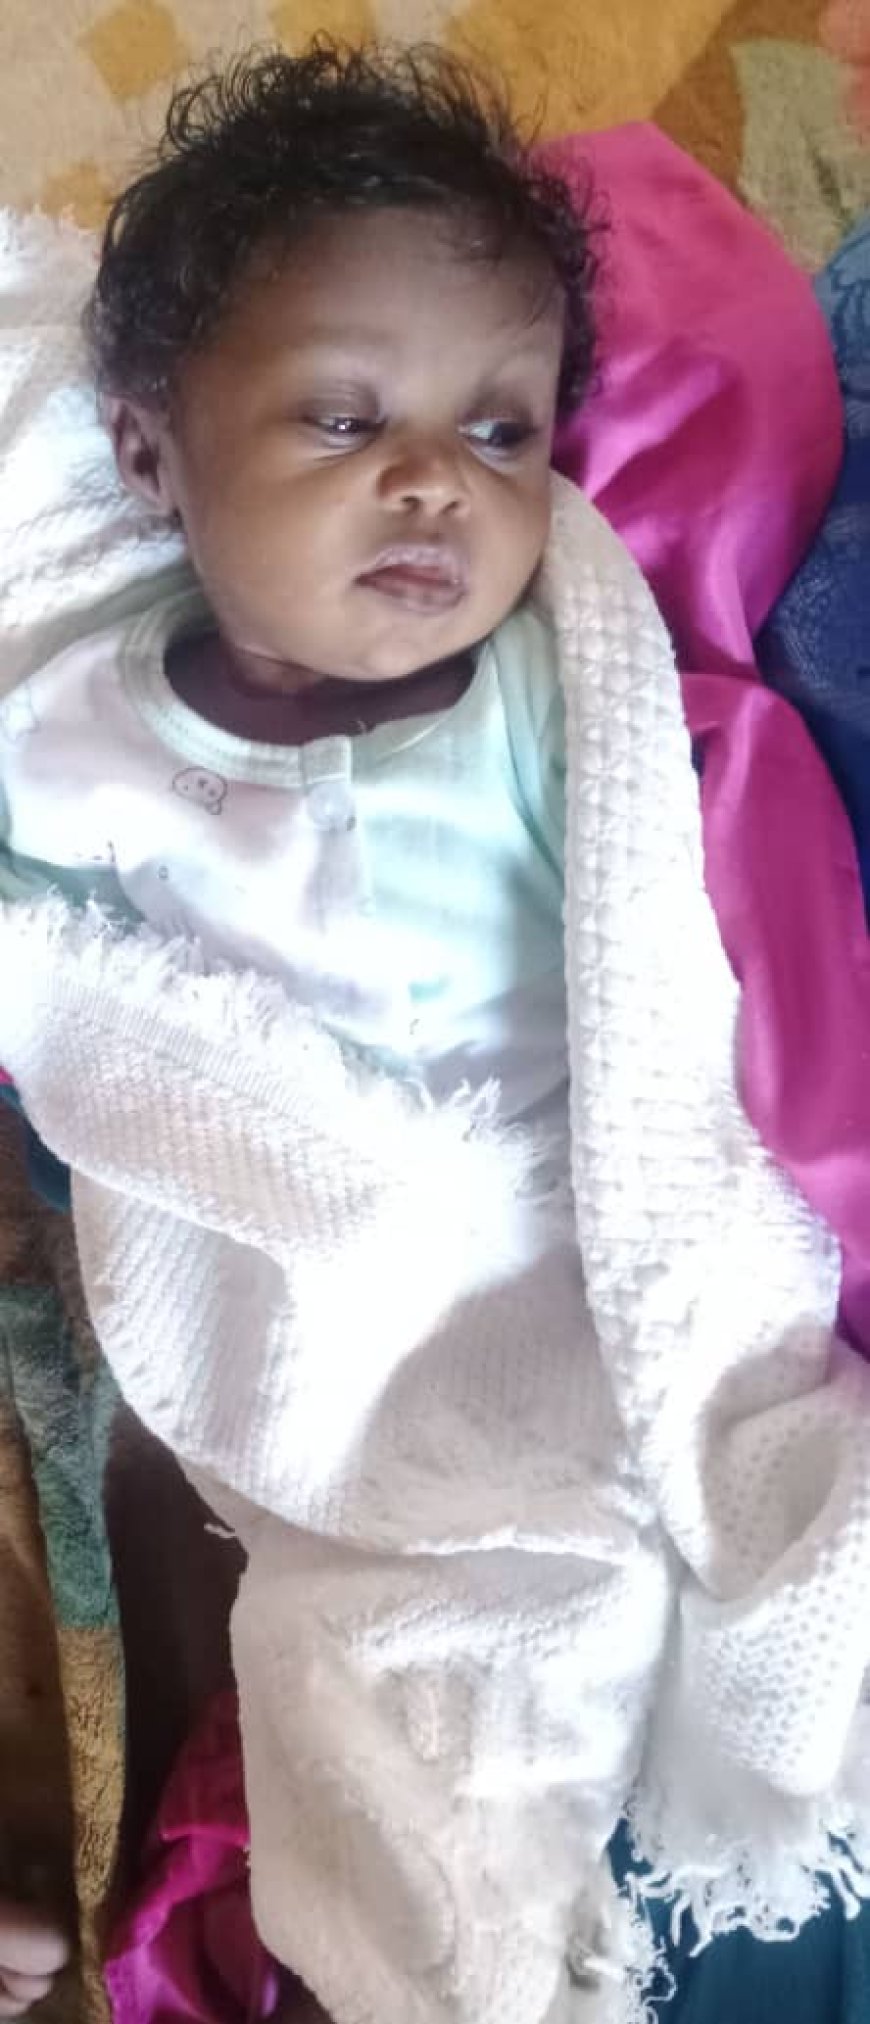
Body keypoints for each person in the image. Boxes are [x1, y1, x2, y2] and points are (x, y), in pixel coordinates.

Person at [0, 39, 600, 2023]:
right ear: (150, 455)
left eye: (502, 426)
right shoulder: (80, 736)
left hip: (527, 1277)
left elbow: (679, 970)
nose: (436, 478)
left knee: (553, 1633)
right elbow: (53, 992)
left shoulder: (543, 706)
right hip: (253, 1282)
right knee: (230, 1567)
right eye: (345, 415)